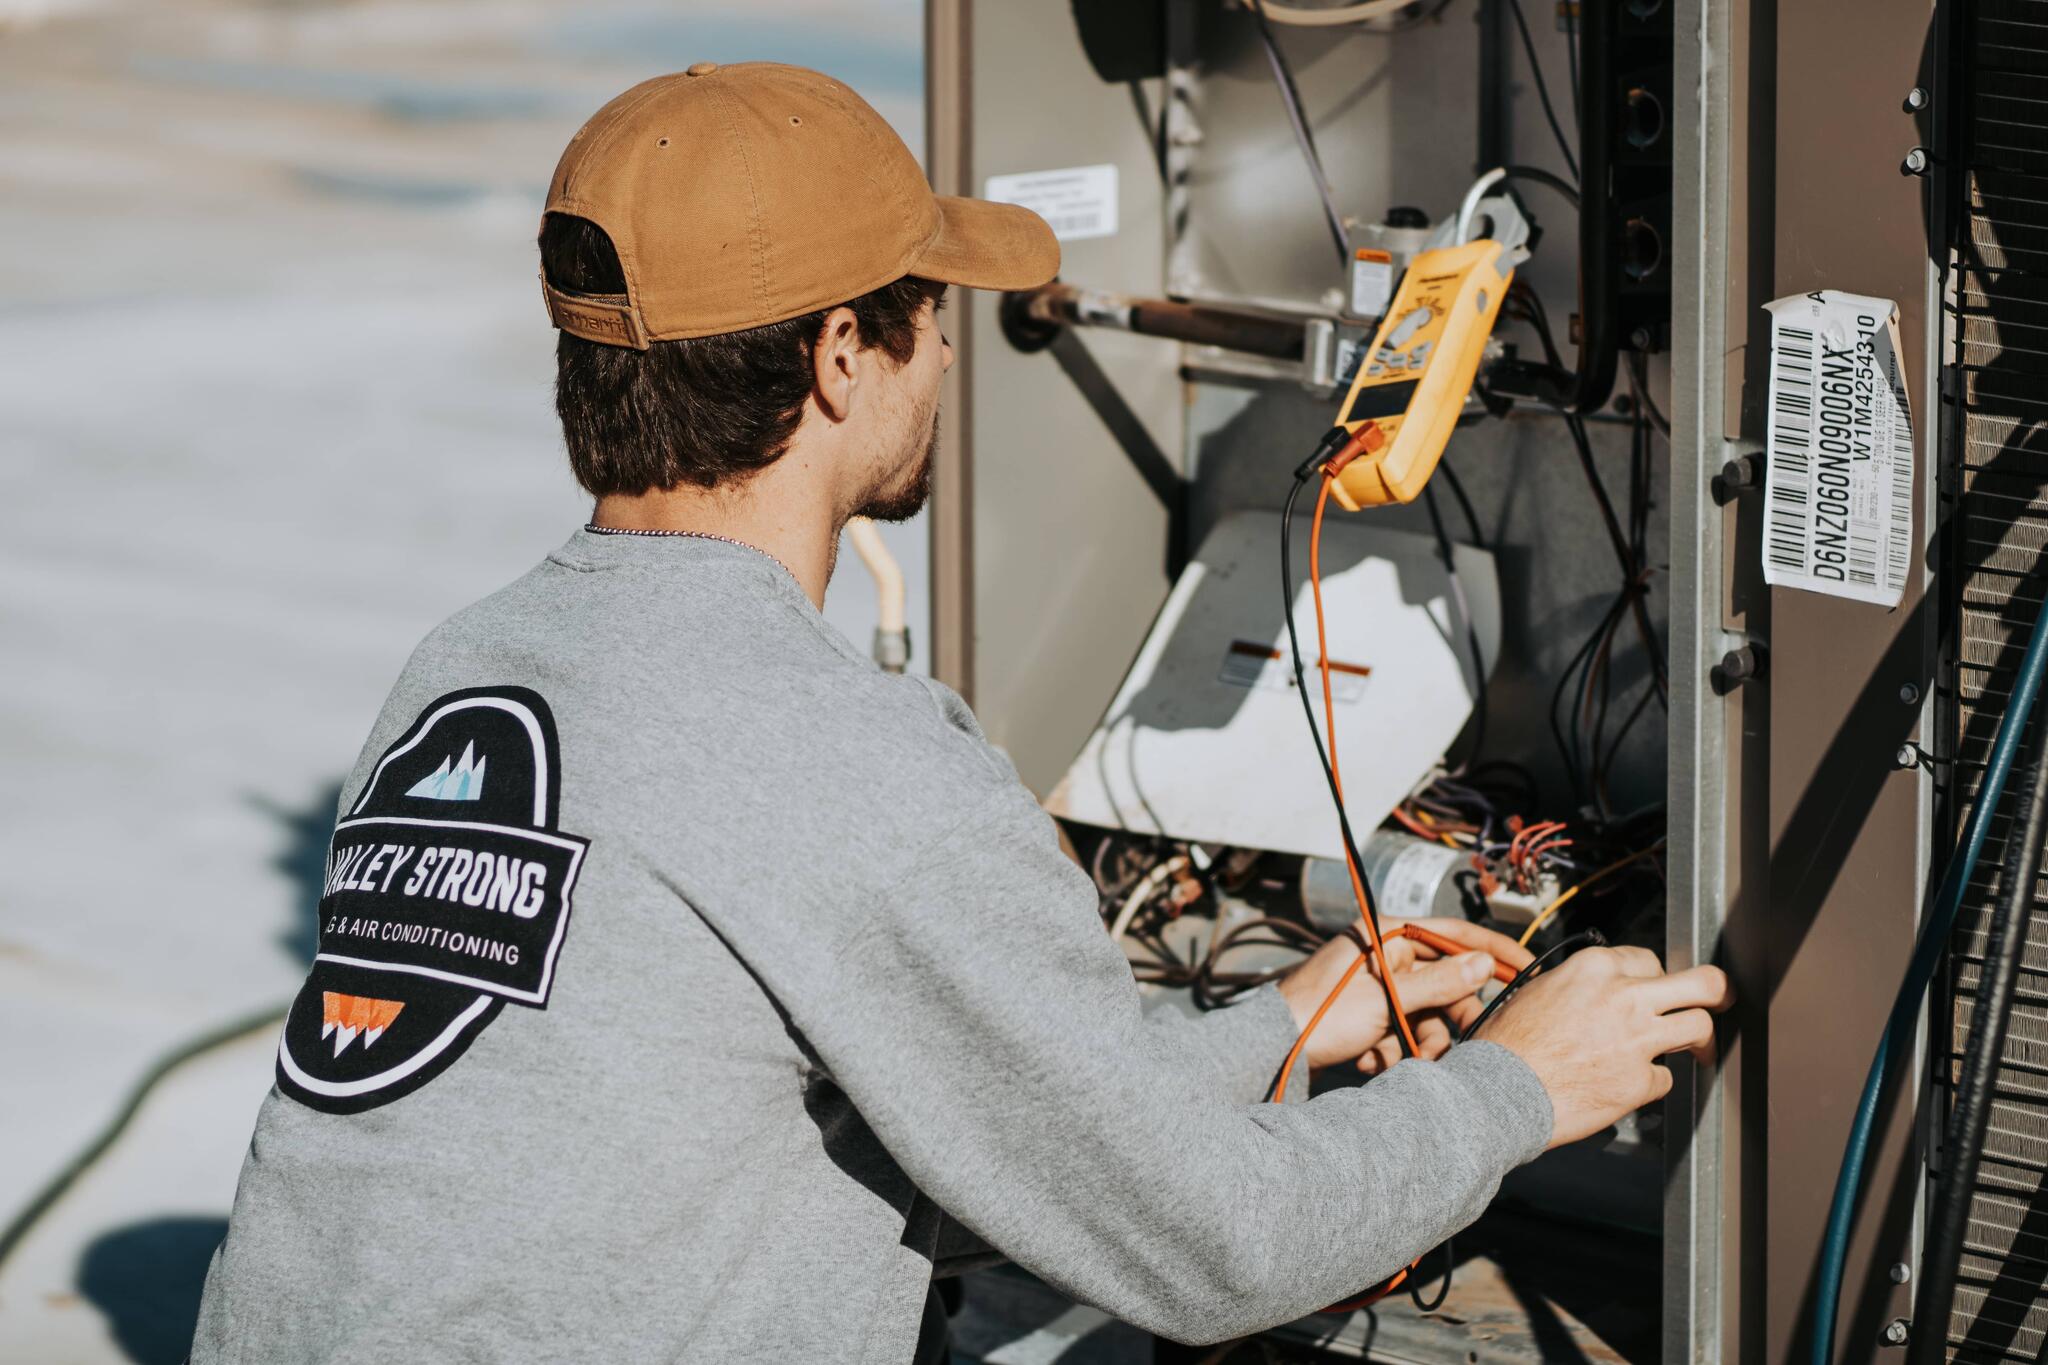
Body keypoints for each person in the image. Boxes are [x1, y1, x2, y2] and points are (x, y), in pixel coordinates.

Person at [189, 62, 1731, 1364]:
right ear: (842, 358)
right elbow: (1220, 1246)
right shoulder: (844, 753)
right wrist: (1524, 1081)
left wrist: (1270, 1025)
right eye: (929, 314)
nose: (948, 359)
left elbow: (967, 1100)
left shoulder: (467, 672)